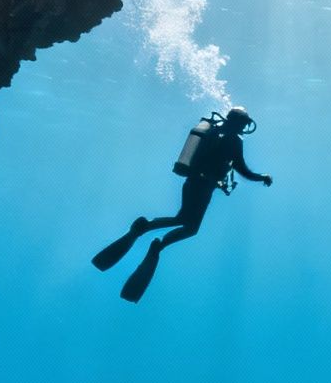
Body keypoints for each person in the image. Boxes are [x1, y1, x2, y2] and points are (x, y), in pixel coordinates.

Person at [94, 106, 272, 302]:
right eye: (245, 123)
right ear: (240, 122)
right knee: (191, 227)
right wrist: (261, 177)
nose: (245, 128)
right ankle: (156, 242)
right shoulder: (233, 140)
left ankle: (145, 228)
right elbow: (242, 169)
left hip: (193, 181)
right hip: (204, 186)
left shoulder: (214, 130)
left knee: (183, 218)